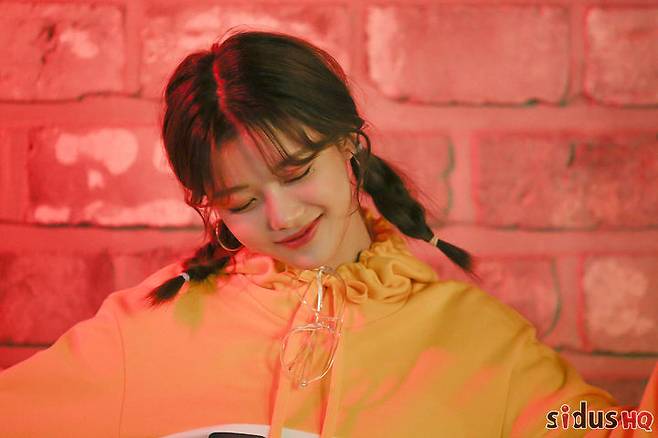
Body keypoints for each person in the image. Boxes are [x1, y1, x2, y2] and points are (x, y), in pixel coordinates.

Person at [0, 29, 656, 438]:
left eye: (296, 173)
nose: (281, 216)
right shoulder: (141, 335)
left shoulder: (480, 342)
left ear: (349, 146)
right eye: (241, 201)